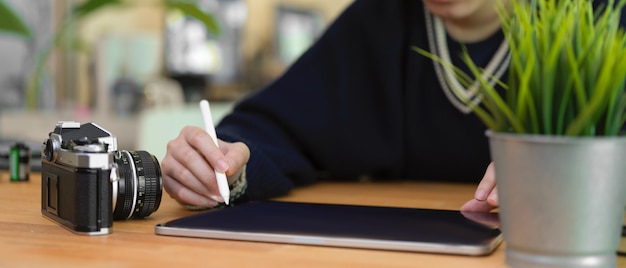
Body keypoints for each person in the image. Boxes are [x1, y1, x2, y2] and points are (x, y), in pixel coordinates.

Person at [160, 0, 621, 211]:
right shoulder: (377, 21)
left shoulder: (602, 18)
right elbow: (273, 126)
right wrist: (224, 165)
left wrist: (577, 169)